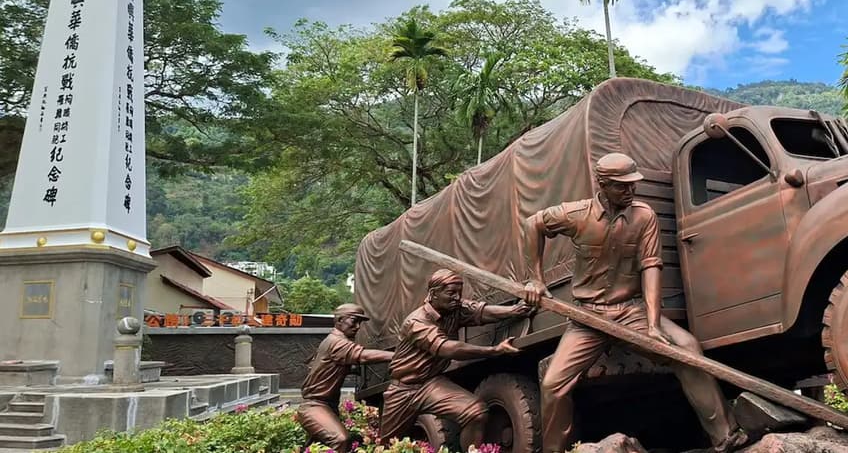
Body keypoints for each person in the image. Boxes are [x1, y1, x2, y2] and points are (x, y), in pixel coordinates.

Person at [522, 152, 749, 453]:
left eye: (633, 184)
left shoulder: (644, 216)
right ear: (602, 184)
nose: (631, 191)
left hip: (631, 311)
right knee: (552, 385)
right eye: (621, 186)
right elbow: (533, 224)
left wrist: (653, 325)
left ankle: (726, 436)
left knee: (688, 349)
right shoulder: (576, 214)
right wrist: (535, 278)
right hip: (587, 318)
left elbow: (651, 267)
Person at [379, 269, 536, 448]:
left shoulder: (455, 309)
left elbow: (481, 312)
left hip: (430, 384)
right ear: (433, 294)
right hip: (403, 389)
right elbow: (448, 349)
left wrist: (515, 311)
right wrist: (493, 350)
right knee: (386, 446)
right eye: (451, 293)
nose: (457, 298)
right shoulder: (416, 322)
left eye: (459, 293)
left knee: (476, 412)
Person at [297, 303, 395, 453]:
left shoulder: (336, 341)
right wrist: (397, 356)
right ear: (340, 321)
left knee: (317, 446)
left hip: (326, 406)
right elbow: (362, 356)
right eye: (354, 320)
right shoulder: (337, 342)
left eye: (360, 322)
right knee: (340, 440)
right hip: (314, 406)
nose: (357, 326)